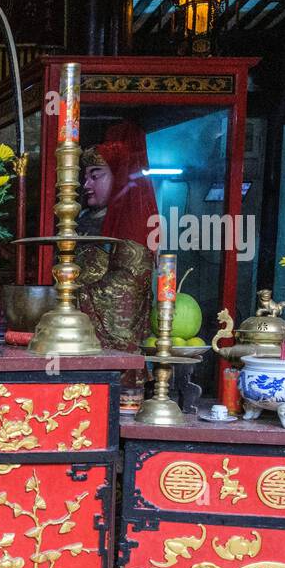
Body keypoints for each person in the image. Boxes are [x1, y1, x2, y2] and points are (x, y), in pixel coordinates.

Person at [74, 121, 158, 383]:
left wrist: (69, 291)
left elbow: (127, 290)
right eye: (85, 176)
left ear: (118, 175)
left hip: (102, 338)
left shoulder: (130, 222)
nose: (86, 184)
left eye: (95, 175)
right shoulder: (83, 217)